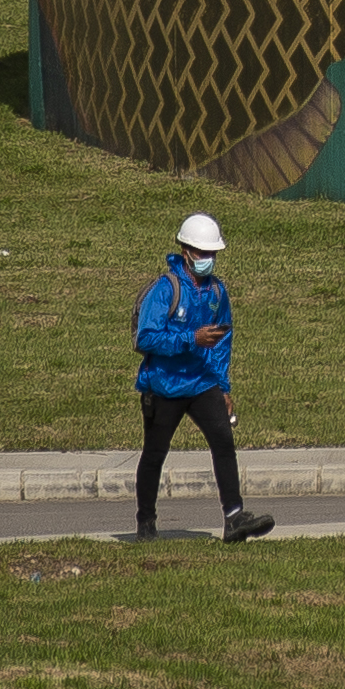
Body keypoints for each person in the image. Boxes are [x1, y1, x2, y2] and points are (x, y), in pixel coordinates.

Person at [130, 211, 275, 545]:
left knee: (223, 441)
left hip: (202, 382)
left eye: (213, 254)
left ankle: (234, 518)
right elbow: (145, 338)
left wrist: (223, 386)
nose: (208, 259)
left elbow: (223, 340)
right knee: (155, 453)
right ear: (186, 252)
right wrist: (190, 339)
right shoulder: (166, 289)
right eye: (202, 253)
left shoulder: (216, 292)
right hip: (164, 385)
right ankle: (146, 522)